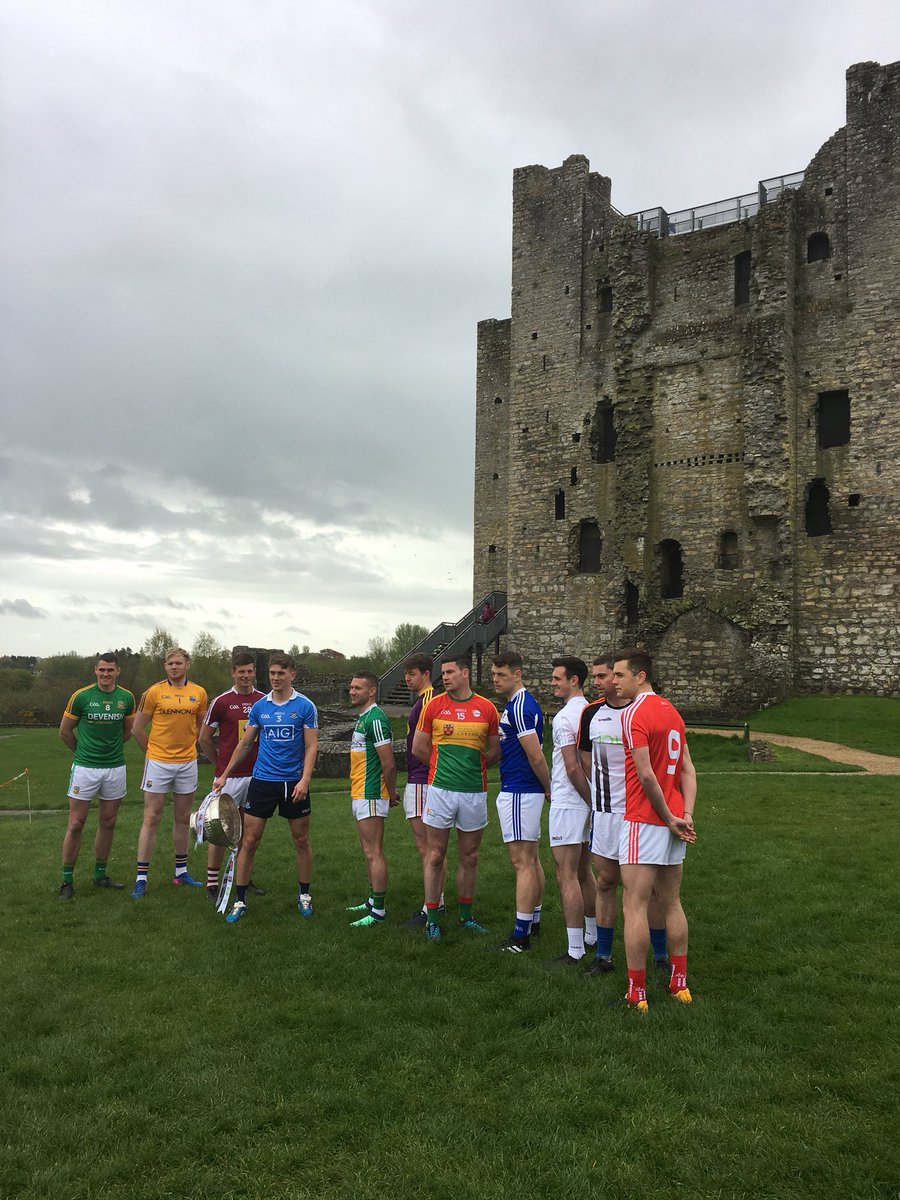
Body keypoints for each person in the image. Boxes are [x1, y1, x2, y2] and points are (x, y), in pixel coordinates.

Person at [614, 649, 697, 1011]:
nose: (614, 682)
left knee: (635, 905)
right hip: (674, 820)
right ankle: (679, 984)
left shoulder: (634, 713)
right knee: (672, 902)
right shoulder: (671, 711)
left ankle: (637, 994)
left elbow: (646, 775)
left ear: (640, 676)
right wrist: (685, 813)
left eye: (619, 675)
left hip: (647, 819)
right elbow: (689, 771)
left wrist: (666, 816)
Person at [578, 654, 671, 978]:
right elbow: (585, 759)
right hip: (606, 813)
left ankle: (660, 955)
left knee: (652, 889)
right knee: (606, 882)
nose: (602, 683)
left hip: (642, 814)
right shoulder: (591, 714)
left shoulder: (642, 712)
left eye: (607, 676)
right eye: (600, 677)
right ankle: (603, 956)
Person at [214, 652, 318, 924]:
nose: (275, 678)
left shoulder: (305, 706)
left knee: (301, 840)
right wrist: (224, 774)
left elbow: (311, 746)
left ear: (292, 675)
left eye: (281, 673)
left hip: (292, 784)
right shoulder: (260, 706)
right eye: (272, 673)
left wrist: (305, 779)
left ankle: (304, 895)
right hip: (263, 782)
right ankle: (240, 900)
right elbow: (245, 744)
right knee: (249, 840)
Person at [412, 655, 499, 941]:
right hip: (441, 792)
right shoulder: (433, 706)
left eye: (450, 672)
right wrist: (443, 769)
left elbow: (495, 752)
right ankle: (432, 917)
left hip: (474, 792)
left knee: (470, 857)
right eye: (442, 673)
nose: (445, 677)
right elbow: (419, 748)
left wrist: (472, 768)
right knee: (435, 855)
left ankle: (466, 916)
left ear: (465, 673)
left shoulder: (486, 708)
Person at [131, 647, 208, 898]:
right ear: (165, 666)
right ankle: (142, 877)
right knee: (151, 818)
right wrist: (153, 753)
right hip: (158, 763)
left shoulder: (199, 692)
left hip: (187, 762)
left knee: (183, 819)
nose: (174, 667)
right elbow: (137, 729)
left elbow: (200, 727)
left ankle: (181, 871)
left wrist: (190, 746)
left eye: (179, 663)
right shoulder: (153, 692)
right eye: (170, 663)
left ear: (188, 665)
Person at [58, 653, 136, 897]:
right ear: (95, 670)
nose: (105, 674)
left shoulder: (126, 697)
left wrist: (110, 751)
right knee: (76, 823)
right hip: (85, 768)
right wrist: (81, 753)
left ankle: (99, 875)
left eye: (110, 670)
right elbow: (65, 731)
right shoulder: (81, 696)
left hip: (114, 768)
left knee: (108, 822)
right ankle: (67, 880)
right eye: (102, 670)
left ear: (118, 671)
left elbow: (128, 731)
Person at [490, 651, 551, 953]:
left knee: (522, 862)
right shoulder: (521, 704)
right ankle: (534, 921)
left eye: (501, 674)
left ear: (517, 674)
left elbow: (535, 754)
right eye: (493, 674)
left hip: (520, 789)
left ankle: (520, 936)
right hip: (524, 789)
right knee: (532, 857)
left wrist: (548, 786)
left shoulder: (520, 706)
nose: (495, 680)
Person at [197, 651, 266, 901]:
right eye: (241, 672)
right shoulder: (222, 701)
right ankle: (212, 883)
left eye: (249, 671)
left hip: (258, 776)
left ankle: (242, 879)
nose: (246, 676)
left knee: (249, 831)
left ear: (254, 672)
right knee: (221, 829)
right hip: (230, 778)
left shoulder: (264, 700)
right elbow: (203, 738)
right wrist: (220, 764)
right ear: (233, 673)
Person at [545, 656, 593, 966]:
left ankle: (576, 949)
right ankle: (592, 935)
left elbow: (573, 766)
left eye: (557, 678)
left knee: (566, 876)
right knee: (584, 872)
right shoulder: (592, 711)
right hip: (589, 800)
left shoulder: (565, 718)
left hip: (570, 799)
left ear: (573, 680)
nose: (552, 682)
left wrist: (591, 801)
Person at [345, 673, 400, 926]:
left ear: (372, 691)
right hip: (360, 791)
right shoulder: (364, 718)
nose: (352, 691)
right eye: (351, 687)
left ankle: (378, 911)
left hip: (371, 793)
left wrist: (391, 793)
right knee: (366, 850)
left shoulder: (376, 719)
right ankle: (371, 900)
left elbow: (389, 764)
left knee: (373, 851)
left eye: (358, 688)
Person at [398, 653, 447, 927]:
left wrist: (434, 771)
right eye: (406, 673)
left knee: (427, 848)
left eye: (412, 673)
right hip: (423, 779)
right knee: (433, 849)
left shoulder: (429, 701)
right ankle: (438, 901)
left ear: (426, 674)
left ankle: (432, 907)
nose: (407, 678)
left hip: (422, 780)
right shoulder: (423, 700)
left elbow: (423, 745)